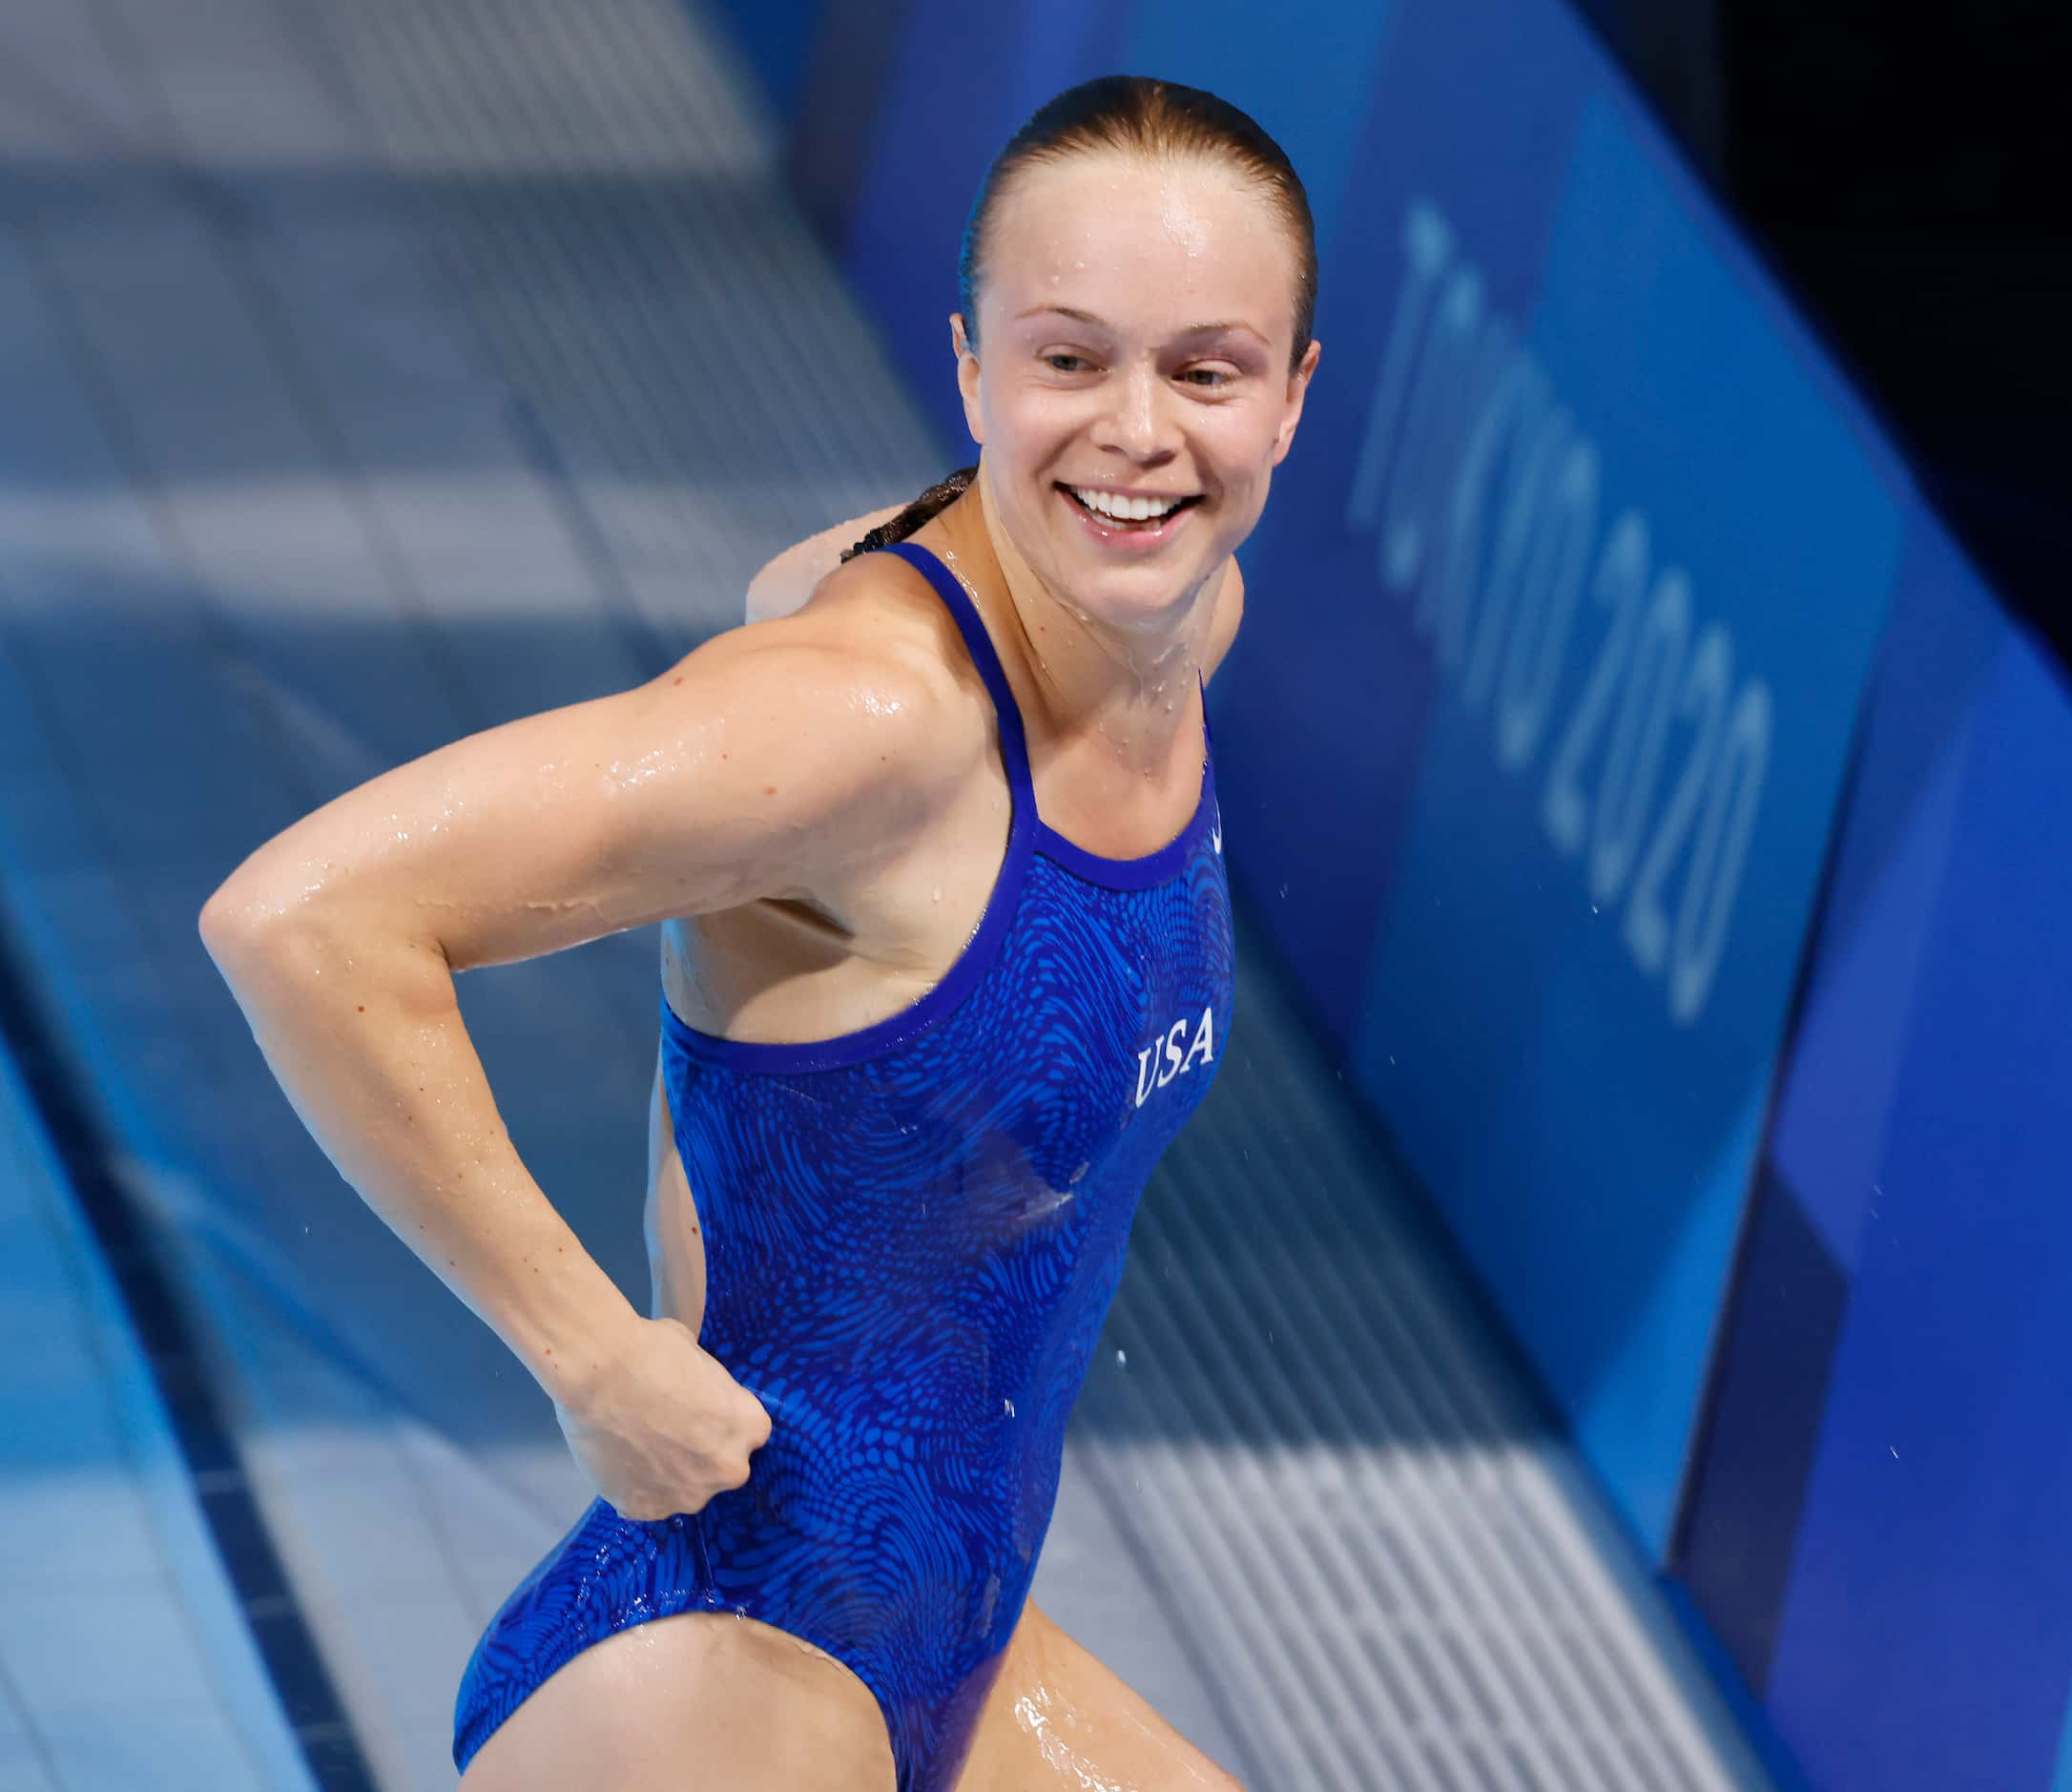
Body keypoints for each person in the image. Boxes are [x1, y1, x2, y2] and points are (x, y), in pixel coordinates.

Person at [198, 73, 1319, 1791]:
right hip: (714, 1669)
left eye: (1205, 370)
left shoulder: (1183, 620)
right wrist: (591, 1354)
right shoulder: (873, 723)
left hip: (956, 1634)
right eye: (1070, 359)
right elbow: (303, 917)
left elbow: (786, 591)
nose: (1139, 433)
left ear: (1292, 398)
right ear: (969, 365)